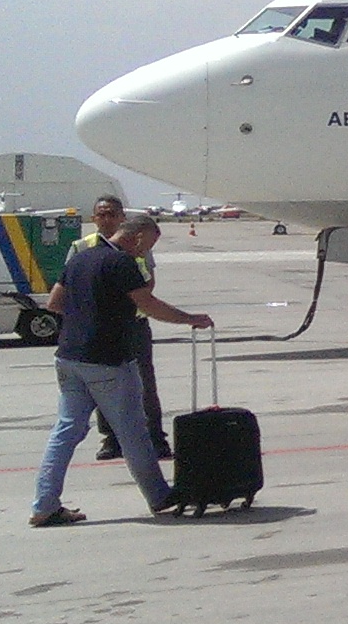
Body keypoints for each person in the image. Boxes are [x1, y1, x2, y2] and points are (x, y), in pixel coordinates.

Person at [31, 213, 213, 526]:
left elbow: (54, 303)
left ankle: (44, 504)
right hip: (108, 359)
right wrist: (189, 318)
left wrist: (88, 312)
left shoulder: (80, 258)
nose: (145, 253)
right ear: (138, 236)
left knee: (66, 430)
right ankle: (159, 496)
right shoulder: (122, 263)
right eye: (148, 245)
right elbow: (150, 305)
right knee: (132, 429)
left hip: (69, 357)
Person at [72, 195, 171, 461]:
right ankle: (111, 439)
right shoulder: (82, 247)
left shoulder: (139, 245)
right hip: (103, 327)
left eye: (112, 214)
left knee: (145, 384)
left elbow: (148, 283)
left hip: (135, 324)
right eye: (102, 215)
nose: (107, 219)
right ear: (94, 219)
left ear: (122, 218)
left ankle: (156, 437)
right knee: (104, 385)